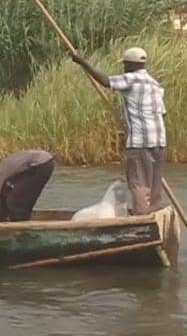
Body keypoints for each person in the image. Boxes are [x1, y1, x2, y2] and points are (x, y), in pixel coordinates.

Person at [70, 47, 166, 215]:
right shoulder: (155, 85)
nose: (124, 68)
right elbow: (163, 115)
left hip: (139, 143)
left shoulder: (131, 80)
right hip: (160, 142)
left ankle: (142, 221)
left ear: (130, 64)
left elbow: (106, 81)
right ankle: (153, 215)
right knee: (154, 187)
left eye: (125, 65)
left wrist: (82, 62)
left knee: (139, 184)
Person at [0, 150, 55, 222]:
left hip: (40, 165)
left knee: (15, 202)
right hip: (41, 163)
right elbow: (4, 200)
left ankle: (22, 232)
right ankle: (20, 224)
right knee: (13, 199)